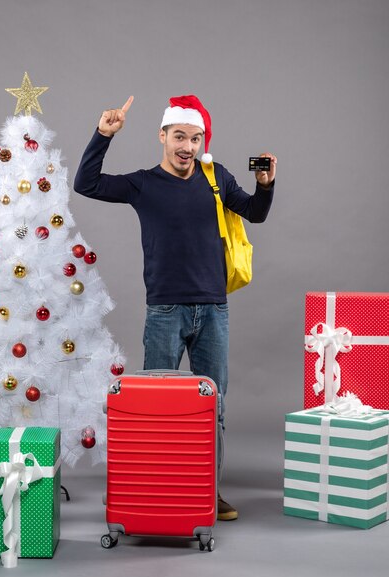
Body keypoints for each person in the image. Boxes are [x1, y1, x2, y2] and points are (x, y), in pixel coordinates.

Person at [74, 94, 276, 521]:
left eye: (195, 138)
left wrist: (265, 185)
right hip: (164, 311)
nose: (187, 146)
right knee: (157, 408)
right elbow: (86, 184)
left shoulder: (215, 176)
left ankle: (207, 491)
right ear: (162, 136)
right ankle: (152, 488)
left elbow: (254, 214)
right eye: (179, 137)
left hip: (214, 311)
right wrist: (102, 135)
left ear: (203, 141)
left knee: (213, 407)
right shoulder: (143, 183)